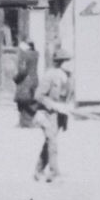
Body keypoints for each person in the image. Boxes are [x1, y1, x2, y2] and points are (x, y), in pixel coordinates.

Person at [33, 48, 74, 182]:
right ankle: (54, 173)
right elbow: (38, 96)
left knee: (49, 142)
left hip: (60, 116)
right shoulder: (50, 75)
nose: (70, 64)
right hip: (46, 113)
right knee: (52, 143)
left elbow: (69, 96)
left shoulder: (69, 76)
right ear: (59, 62)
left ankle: (38, 170)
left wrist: (68, 107)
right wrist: (55, 106)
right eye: (67, 61)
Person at [14, 40, 40, 128]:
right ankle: (29, 121)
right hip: (34, 79)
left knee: (22, 102)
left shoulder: (25, 55)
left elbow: (22, 71)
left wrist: (16, 78)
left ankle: (24, 123)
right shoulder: (36, 54)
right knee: (31, 102)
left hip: (25, 81)